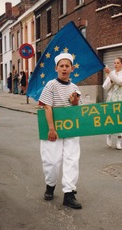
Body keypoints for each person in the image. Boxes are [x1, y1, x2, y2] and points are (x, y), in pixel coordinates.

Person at [38, 52, 83, 209]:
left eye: (67, 66)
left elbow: (77, 109)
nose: (64, 69)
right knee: (52, 161)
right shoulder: (51, 85)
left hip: (70, 130)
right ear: (56, 68)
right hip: (53, 129)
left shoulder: (75, 88)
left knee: (72, 160)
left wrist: (75, 101)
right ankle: (50, 185)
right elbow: (47, 106)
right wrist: (51, 128)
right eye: (61, 66)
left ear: (72, 68)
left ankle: (69, 194)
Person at [102, 57, 122, 150]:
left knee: (121, 119)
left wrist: (110, 74)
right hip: (112, 98)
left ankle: (119, 141)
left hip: (121, 98)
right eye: (114, 63)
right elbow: (105, 87)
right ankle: (108, 134)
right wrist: (110, 80)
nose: (116, 65)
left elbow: (120, 82)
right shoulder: (111, 74)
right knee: (110, 118)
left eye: (118, 63)